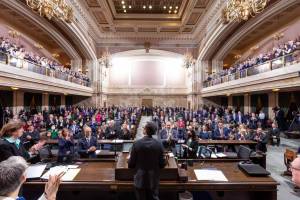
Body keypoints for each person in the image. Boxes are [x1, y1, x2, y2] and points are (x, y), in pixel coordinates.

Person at [128, 121, 166, 200]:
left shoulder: (137, 144)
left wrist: (129, 160)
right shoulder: (159, 144)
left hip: (140, 180)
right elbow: (162, 164)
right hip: (153, 180)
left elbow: (131, 164)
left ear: (145, 130)